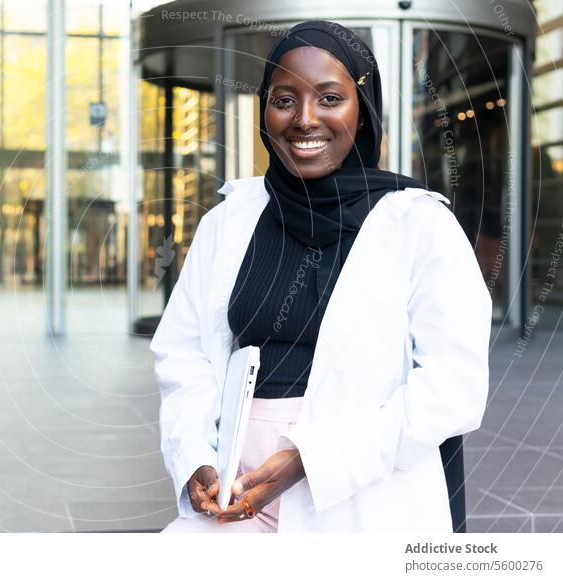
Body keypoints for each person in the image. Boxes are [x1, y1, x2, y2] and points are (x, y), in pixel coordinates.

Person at [149, 20, 492, 532]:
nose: (304, 119)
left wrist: (309, 459)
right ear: (265, 109)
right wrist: (196, 455)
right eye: (284, 100)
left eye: (330, 98)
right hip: (234, 486)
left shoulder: (419, 224)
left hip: (362, 495)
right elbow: (183, 353)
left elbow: (453, 387)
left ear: (364, 109)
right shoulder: (230, 220)